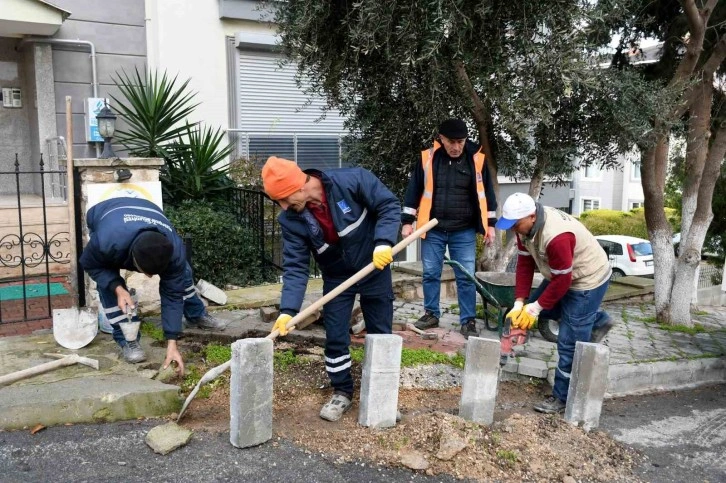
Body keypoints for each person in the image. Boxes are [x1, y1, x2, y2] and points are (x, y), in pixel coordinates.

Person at [261, 156, 400, 422]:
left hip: (374, 266)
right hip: (336, 276)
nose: (282, 206)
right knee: (335, 335)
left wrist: (383, 242)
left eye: (283, 198)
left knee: (381, 334)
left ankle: (383, 395)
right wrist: (288, 311)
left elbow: (388, 205)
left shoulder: (353, 180)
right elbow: (296, 267)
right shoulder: (291, 220)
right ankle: (342, 391)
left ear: (299, 187)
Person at [496, 193, 614, 414]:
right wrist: (520, 303)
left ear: (532, 216)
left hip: (587, 280)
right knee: (546, 309)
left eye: (515, 224)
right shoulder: (525, 229)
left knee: (568, 344)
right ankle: (597, 320)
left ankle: (562, 397)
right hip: (562, 275)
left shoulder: (557, 236)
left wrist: (535, 308)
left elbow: (564, 282)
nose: (513, 229)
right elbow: (524, 264)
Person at [79, 197, 225, 373]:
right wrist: (118, 288)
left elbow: (172, 294)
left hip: (146, 211)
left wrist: (172, 342)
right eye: (147, 272)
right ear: (133, 260)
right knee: (108, 285)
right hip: (104, 215)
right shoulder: (106, 241)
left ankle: (195, 314)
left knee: (182, 276)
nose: (149, 276)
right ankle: (128, 340)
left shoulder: (174, 251)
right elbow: (90, 264)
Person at [401, 118, 498, 339]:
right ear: (441, 139)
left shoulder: (476, 160)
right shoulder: (428, 159)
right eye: (451, 141)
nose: (456, 147)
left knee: (465, 276)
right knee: (431, 274)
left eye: (461, 141)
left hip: (463, 230)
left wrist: (490, 226)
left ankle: (468, 320)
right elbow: (413, 189)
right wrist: (407, 221)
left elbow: (488, 196)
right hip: (433, 228)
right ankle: (431, 314)